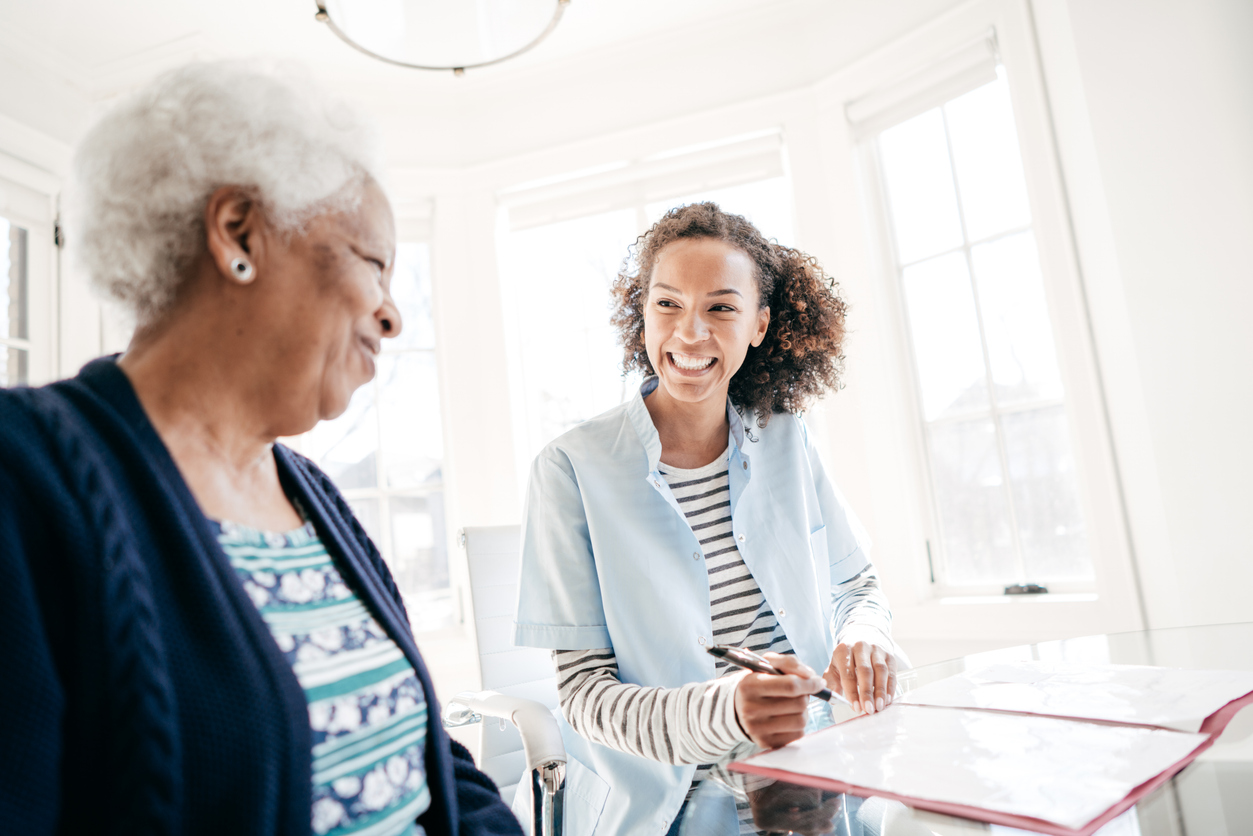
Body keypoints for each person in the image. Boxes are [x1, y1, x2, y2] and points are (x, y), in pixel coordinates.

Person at [0, 63, 521, 836]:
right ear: (239, 232)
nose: (392, 316)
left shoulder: (313, 494)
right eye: (376, 265)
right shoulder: (25, 473)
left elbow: (422, 755)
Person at [513, 202, 905, 834]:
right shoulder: (569, 469)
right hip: (681, 800)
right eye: (667, 304)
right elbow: (584, 696)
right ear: (641, 314)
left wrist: (866, 637)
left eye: (721, 307)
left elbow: (857, 587)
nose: (690, 334)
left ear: (759, 324)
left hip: (817, 775)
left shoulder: (785, 439)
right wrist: (729, 711)